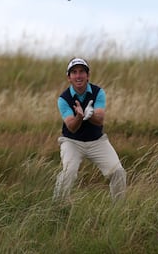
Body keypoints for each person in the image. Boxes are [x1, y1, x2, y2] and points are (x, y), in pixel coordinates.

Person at [53, 57, 126, 202]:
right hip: (71, 141)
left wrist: (89, 114)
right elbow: (71, 127)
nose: (78, 76)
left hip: (97, 141)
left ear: (88, 75)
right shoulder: (63, 99)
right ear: (69, 77)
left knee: (118, 171)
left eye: (82, 72)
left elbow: (99, 119)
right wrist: (80, 117)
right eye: (74, 72)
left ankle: (119, 208)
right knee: (69, 172)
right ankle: (58, 206)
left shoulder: (98, 92)